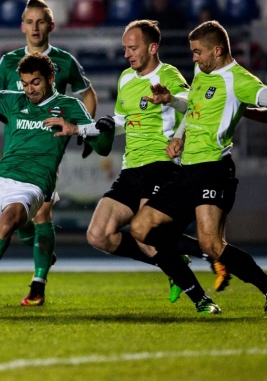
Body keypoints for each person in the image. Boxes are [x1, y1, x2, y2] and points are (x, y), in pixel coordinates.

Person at [128, 20, 267, 318]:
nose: (194, 58)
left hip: (213, 170)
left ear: (217, 50)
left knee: (213, 243)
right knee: (140, 228)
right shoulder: (203, 74)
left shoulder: (237, 79)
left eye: (198, 52)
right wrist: (177, 129)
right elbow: (193, 108)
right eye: (192, 52)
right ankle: (207, 257)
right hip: (187, 171)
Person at [48, 19, 224, 313]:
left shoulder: (168, 74)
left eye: (133, 47)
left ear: (152, 47)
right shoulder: (126, 79)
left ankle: (202, 298)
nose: (127, 53)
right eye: (125, 48)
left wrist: (173, 105)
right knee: (98, 235)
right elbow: (121, 121)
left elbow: (188, 104)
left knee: (148, 238)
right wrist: (83, 129)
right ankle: (173, 260)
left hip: (162, 166)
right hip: (131, 170)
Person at [0, 53, 114, 314]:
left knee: (7, 223)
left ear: (50, 78)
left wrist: (100, 129)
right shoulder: (13, 100)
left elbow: (102, 149)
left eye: (35, 82)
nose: (29, 89)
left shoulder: (68, 105)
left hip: (33, 184)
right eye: (25, 83)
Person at [0, 0, 98, 306]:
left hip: (47, 153)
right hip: (15, 149)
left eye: (41, 22)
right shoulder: (8, 62)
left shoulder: (64, 61)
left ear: (51, 25)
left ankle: (38, 284)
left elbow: (87, 93)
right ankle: (43, 251)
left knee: (43, 212)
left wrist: (83, 131)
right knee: (20, 222)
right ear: (22, 26)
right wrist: (19, 121)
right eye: (30, 22)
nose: (35, 28)